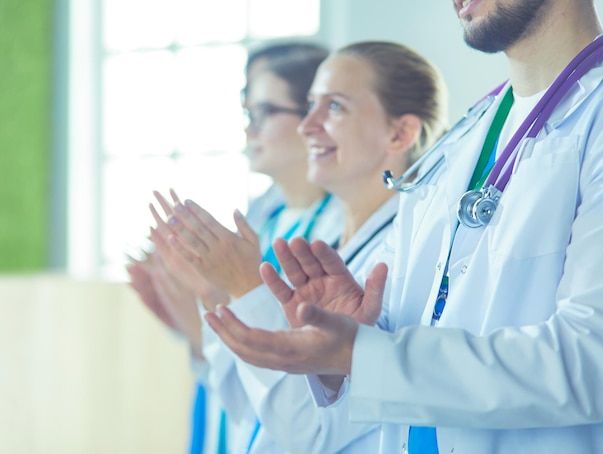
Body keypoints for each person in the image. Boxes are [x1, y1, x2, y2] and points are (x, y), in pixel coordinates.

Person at [204, 2, 603, 453]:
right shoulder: (465, 140)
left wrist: (364, 355)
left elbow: (597, 361)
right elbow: (389, 360)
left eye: (334, 107)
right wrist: (351, 335)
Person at [165, 41, 447, 453]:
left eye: (334, 107)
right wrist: (212, 300)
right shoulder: (330, 243)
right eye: (311, 104)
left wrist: (247, 289)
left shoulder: (409, 258)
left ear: (399, 133)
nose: (307, 126)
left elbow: (312, 434)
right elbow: (253, 409)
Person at [126, 42, 340, 454]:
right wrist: (193, 323)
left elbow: (313, 392)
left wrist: (213, 300)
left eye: (263, 112)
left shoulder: (335, 229)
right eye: (247, 113)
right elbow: (236, 381)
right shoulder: (264, 217)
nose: (249, 129)